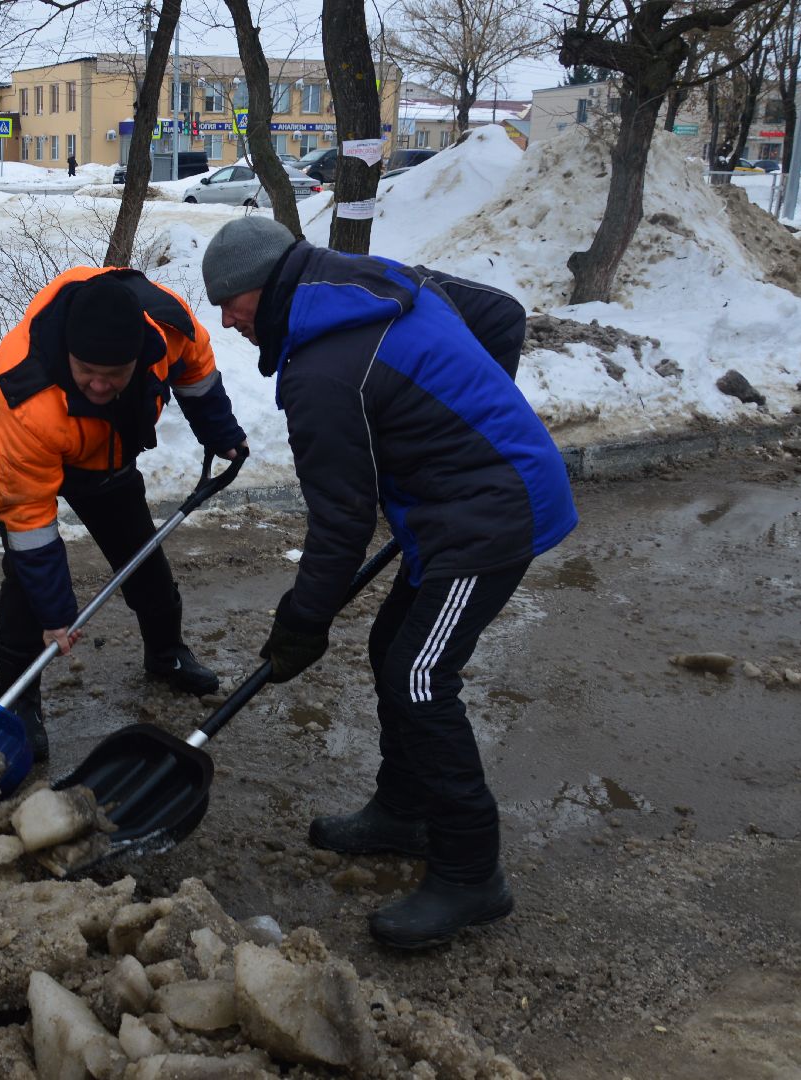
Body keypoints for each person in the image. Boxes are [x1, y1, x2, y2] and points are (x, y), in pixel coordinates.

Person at [201, 216, 577, 949]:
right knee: (391, 644)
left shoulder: (321, 374)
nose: (227, 319)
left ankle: (473, 873)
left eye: (232, 302)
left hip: (496, 514)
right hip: (458, 506)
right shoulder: (373, 280)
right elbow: (499, 315)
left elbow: (341, 522)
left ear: (266, 285)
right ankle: (403, 810)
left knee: (420, 675)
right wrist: (448, 426)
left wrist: (302, 621)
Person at [0, 269, 247, 761]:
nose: (99, 384)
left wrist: (220, 431)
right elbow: (30, 517)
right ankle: (19, 697)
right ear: (69, 354)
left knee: (137, 548)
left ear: (140, 356)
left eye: (113, 373)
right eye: (87, 370)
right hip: (13, 450)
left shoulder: (169, 329)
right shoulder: (25, 394)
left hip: (103, 446)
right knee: (28, 574)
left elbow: (197, 371)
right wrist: (57, 616)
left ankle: (165, 653)